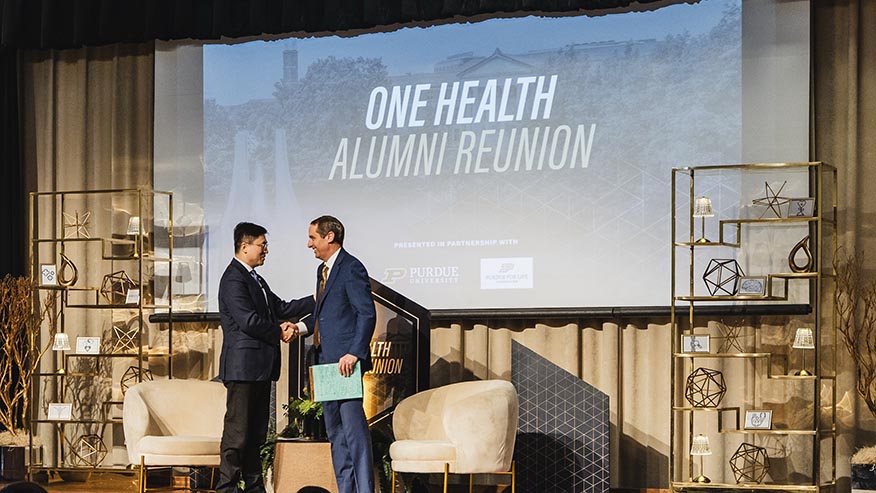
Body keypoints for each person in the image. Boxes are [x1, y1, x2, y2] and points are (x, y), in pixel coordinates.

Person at [217, 222, 315, 493]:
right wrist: (279, 331)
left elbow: (281, 307)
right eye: (262, 245)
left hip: (260, 368)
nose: (266, 251)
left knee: (256, 434)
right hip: (243, 368)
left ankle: (254, 487)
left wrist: (320, 296)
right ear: (244, 246)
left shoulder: (255, 279)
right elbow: (248, 321)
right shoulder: (234, 278)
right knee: (237, 434)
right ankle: (226, 487)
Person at [302, 215, 376, 493]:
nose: (309, 244)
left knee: (354, 434)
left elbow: (366, 313)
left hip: (345, 364)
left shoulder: (351, 267)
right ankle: (346, 489)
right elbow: (323, 316)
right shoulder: (323, 271)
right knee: (335, 434)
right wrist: (298, 327)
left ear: (329, 237)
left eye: (313, 238)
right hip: (325, 364)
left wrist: (354, 353)